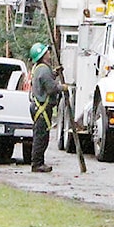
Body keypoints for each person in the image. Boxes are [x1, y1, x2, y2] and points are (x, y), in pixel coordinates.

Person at [29, 42, 67, 172]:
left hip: (39, 107)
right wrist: (62, 87)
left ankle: (38, 162)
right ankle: (37, 164)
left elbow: (46, 79)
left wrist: (55, 73)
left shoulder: (40, 68)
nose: (49, 53)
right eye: (47, 52)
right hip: (42, 108)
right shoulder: (43, 69)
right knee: (41, 137)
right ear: (43, 55)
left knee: (40, 136)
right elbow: (51, 88)